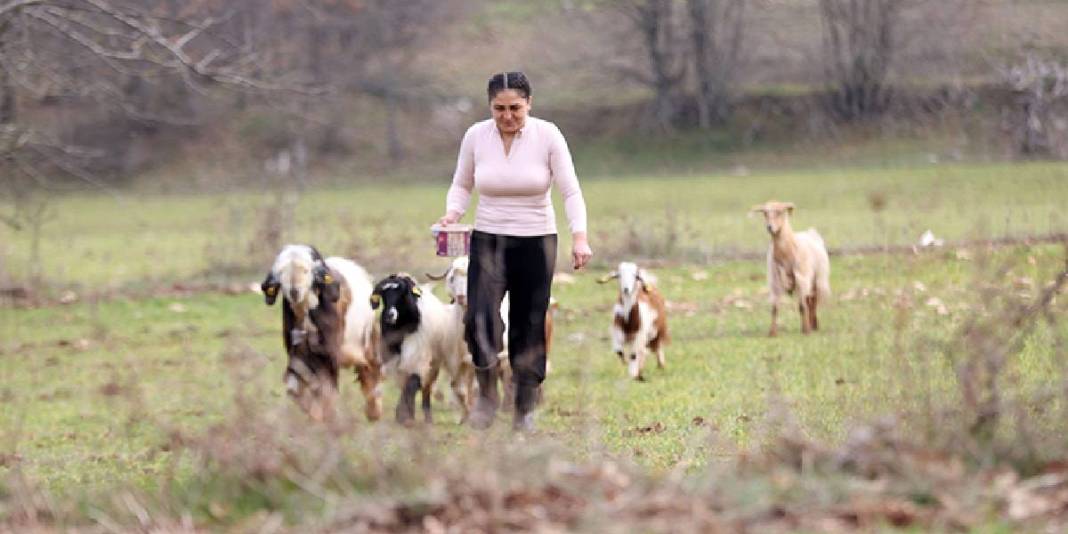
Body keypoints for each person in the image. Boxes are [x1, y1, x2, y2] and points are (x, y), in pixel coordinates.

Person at [437, 71, 592, 431]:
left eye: (515, 109)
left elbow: (570, 191)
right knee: (478, 317)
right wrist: (452, 213)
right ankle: (487, 396)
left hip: (536, 241)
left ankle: (524, 406)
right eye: (499, 108)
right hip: (489, 239)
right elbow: (462, 184)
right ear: (490, 106)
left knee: (530, 323)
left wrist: (580, 237)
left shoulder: (548, 135)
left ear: (529, 104)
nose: (507, 116)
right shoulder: (476, 136)